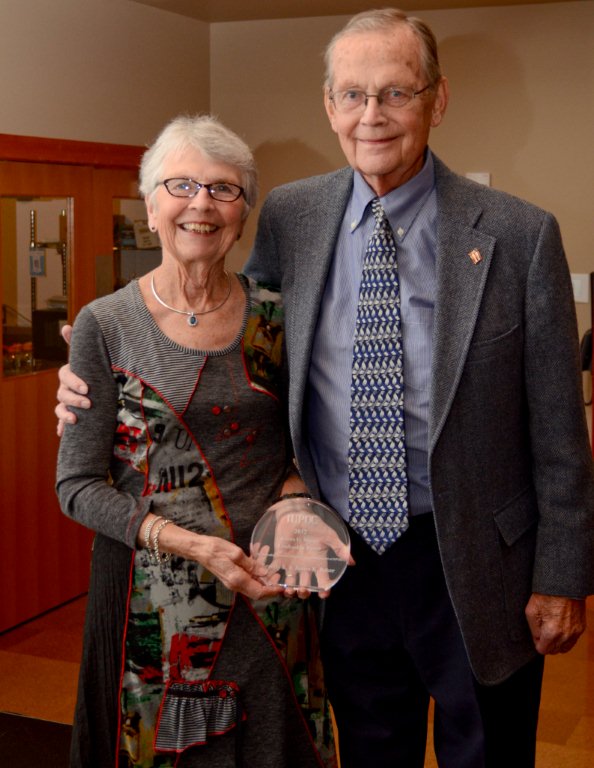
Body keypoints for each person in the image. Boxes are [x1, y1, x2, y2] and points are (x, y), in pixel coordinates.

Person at [56, 9, 594, 768]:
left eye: (396, 94)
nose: (371, 115)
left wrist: (563, 575)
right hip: (336, 561)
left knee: (490, 751)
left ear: (437, 100)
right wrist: (91, 378)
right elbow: (239, 343)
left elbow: (558, 428)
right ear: (329, 106)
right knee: (371, 747)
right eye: (352, 95)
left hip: (476, 559)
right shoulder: (291, 216)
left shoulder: (518, 234)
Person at [55, 113, 339, 768]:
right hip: (154, 606)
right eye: (180, 185)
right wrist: (190, 545)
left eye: (224, 189)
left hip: (269, 594)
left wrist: (295, 502)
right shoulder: (105, 325)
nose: (201, 204)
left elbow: (306, 440)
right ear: (150, 206)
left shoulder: (276, 313)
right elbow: (76, 487)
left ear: (243, 214)